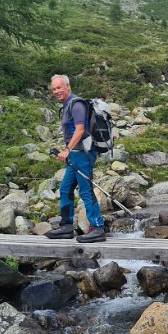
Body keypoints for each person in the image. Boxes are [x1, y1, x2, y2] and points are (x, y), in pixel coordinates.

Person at [46, 74, 105, 243]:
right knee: (65, 189)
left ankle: (98, 228)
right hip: (75, 154)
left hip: (83, 153)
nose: (57, 91)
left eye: (59, 87)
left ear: (68, 87)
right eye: (54, 89)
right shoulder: (66, 105)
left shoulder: (77, 104)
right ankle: (66, 227)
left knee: (86, 190)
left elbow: (80, 130)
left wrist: (66, 150)